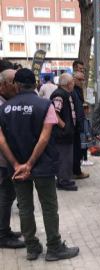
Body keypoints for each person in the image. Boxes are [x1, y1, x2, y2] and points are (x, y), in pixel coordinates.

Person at [0, 68, 79, 261]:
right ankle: (54, 247)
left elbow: (1, 141)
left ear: (16, 86)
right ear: (35, 84)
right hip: (42, 165)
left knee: (25, 208)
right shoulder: (45, 105)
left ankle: (32, 248)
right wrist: (30, 164)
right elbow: (44, 139)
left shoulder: (4, 109)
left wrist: (18, 165)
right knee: (49, 206)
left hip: (17, 168)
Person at [0, 67, 25, 249]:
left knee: (7, 197)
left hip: (6, 160)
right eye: (15, 84)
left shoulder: (5, 102)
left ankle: (5, 230)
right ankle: (2, 235)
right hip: (3, 161)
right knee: (5, 197)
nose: (18, 88)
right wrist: (16, 163)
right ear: (4, 84)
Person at [50, 73, 78, 191]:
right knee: (64, 159)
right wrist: (64, 126)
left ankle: (64, 179)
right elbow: (54, 113)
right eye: (73, 82)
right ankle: (63, 182)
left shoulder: (65, 93)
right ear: (69, 83)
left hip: (65, 133)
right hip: (62, 134)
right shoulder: (59, 95)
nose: (73, 84)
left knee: (66, 158)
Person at [71, 72, 89, 180]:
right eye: (80, 80)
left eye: (83, 80)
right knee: (75, 150)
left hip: (77, 124)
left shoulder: (77, 90)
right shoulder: (73, 90)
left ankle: (76, 170)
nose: (82, 82)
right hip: (75, 125)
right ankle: (75, 171)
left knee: (77, 149)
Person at [80, 102, 95, 166]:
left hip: (83, 135)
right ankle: (85, 160)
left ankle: (83, 159)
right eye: (89, 109)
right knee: (84, 148)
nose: (90, 110)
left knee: (83, 148)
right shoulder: (85, 119)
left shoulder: (83, 118)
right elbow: (86, 128)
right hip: (84, 136)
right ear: (85, 110)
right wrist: (88, 136)